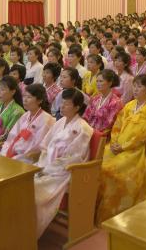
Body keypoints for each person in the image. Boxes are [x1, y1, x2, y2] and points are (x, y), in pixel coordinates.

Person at [95, 75, 146, 222]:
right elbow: (117, 125)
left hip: (134, 150)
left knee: (109, 170)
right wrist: (114, 142)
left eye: (139, 87)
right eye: (134, 86)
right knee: (97, 163)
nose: (135, 89)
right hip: (117, 146)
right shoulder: (129, 105)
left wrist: (125, 146)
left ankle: (112, 210)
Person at [33, 89, 93, 237]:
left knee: (34, 189)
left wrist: (48, 169)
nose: (62, 106)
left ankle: (30, 231)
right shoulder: (59, 122)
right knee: (21, 181)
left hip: (64, 172)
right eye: (62, 103)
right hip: (47, 165)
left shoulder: (83, 128)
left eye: (67, 104)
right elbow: (45, 146)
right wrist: (42, 165)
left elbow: (75, 157)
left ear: (77, 107)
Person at [1, 84, 56, 163]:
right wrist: (6, 150)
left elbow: (38, 146)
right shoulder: (25, 116)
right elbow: (12, 136)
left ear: (39, 100)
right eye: (24, 96)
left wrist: (17, 154)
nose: (25, 100)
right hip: (15, 152)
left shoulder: (47, 120)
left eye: (29, 97)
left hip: (29, 158)